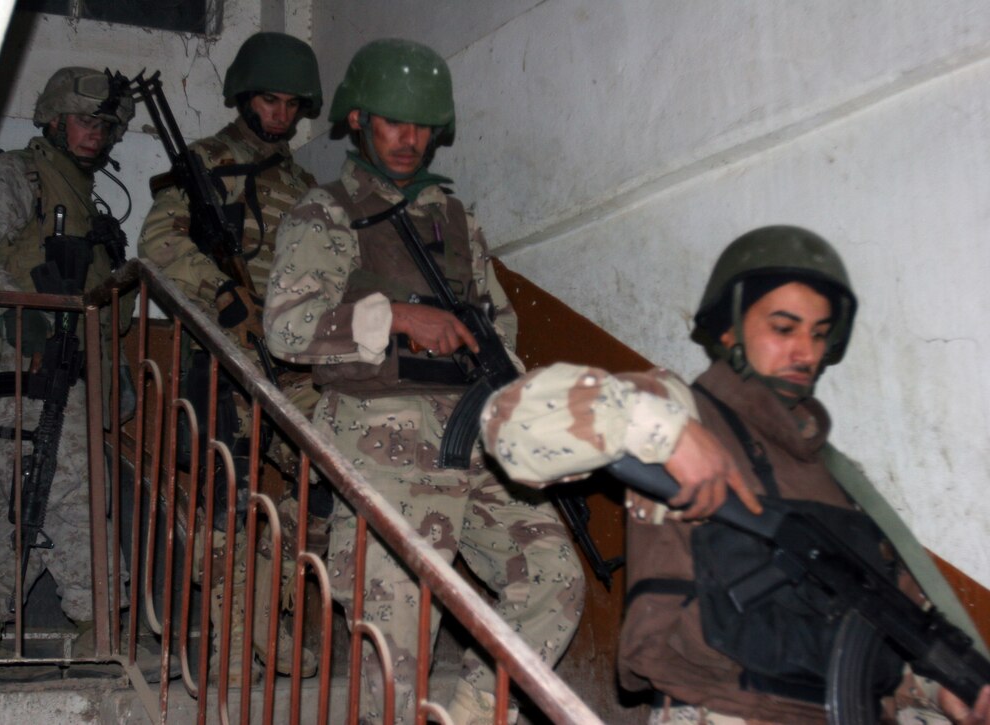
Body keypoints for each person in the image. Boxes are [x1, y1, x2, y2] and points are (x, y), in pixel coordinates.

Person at [480, 226, 990, 724]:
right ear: (729, 329)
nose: (805, 352)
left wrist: (937, 687)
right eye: (783, 328)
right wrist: (667, 432)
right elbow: (510, 424)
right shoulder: (680, 410)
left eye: (818, 333)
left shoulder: (846, 485)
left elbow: (888, 621)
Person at [264, 38, 585, 724]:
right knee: (397, 654)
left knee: (556, 580)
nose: (410, 140)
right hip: (383, 454)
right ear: (357, 120)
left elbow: (500, 329)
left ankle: (469, 714)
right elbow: (288, 330)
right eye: (392, 122)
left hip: (475, 448)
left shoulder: (458, 222)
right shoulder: (325, 213)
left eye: (423, 127)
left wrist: (526, 414)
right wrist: (400, 316)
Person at [0, 66, 153, 679]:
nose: (98, 135)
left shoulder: (80, 198)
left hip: (70, 362)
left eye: (108, 126)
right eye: (87, 121)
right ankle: (101, 628)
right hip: (24, 359)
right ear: (55, 118)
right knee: (70, 493)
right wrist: (30, 314)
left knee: (27, 496)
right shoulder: (17, 175)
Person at [138, 31, 326, 684]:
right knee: (229, 499)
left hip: (290, 366)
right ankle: (230, 643)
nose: (278, 116)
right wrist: (218, 292)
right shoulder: (205, 160)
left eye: (290, 106)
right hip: (221, 357)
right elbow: (157, 243)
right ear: (245, 96)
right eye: (268, 101)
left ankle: (260, 603)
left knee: (328, 482)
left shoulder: (304, 185)